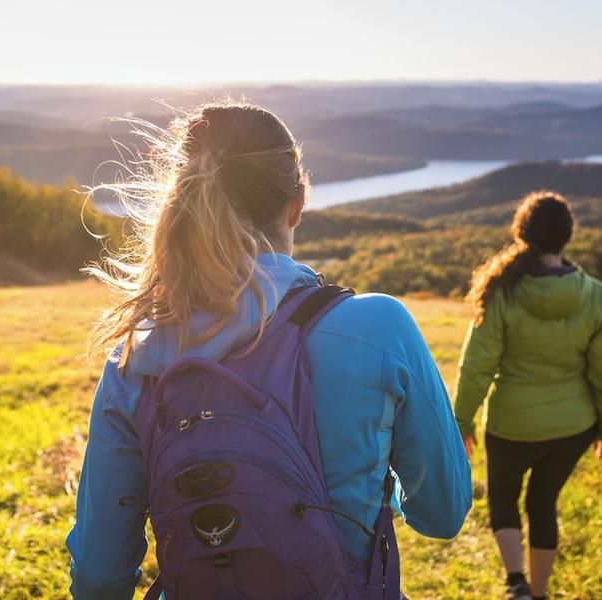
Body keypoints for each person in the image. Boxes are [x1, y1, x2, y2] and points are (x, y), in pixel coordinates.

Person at [67, 101, 471, 599]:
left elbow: (98, 578)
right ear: (296, 204)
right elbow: (444, 514)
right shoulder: (378, 327)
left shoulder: (137, 356)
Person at [452, 191, 602, 600]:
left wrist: (462, 423)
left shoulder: (502, 290)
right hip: (573, 427)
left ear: (522, 232)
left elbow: (476, 367)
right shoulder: (595, 294)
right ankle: (540, 593)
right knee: (544, 503)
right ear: (568, 236)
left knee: (504, 500)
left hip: (511, 425)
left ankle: (517, 585)